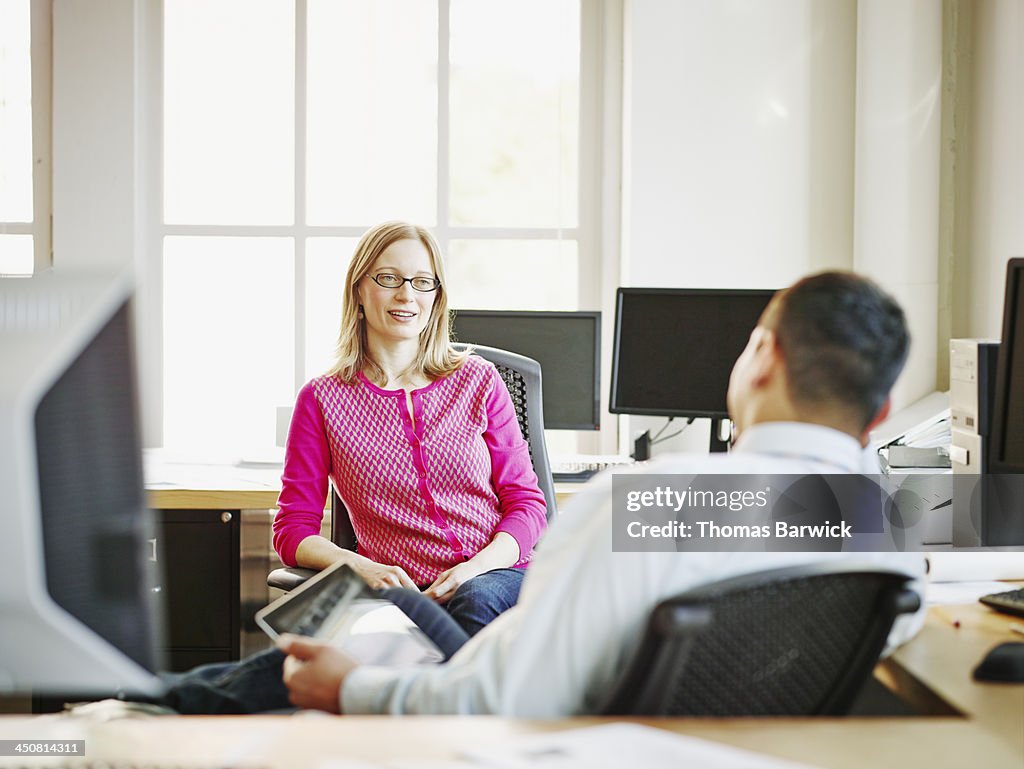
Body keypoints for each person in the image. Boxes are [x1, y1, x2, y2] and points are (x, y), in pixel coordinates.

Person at [275, 270, 929, 716]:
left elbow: (501, 700)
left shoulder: (643, 507)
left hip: (588, 745)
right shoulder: (894, 525)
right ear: (881, 412)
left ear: (763, 357)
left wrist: (353, 688)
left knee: (362, 640)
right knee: (414, 617)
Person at [273, 220, 548, 636]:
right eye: (389, 278)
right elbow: (293, 529)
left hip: (496, 575)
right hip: (400, 589)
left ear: (436, 298)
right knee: (341, 641)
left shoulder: (479, 381)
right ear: (359, 290)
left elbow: (527, 504)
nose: (406, 295)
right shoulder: (322, 400)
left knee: (475, 599)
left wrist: (473, 569)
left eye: (422, 282)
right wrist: (362, 567)